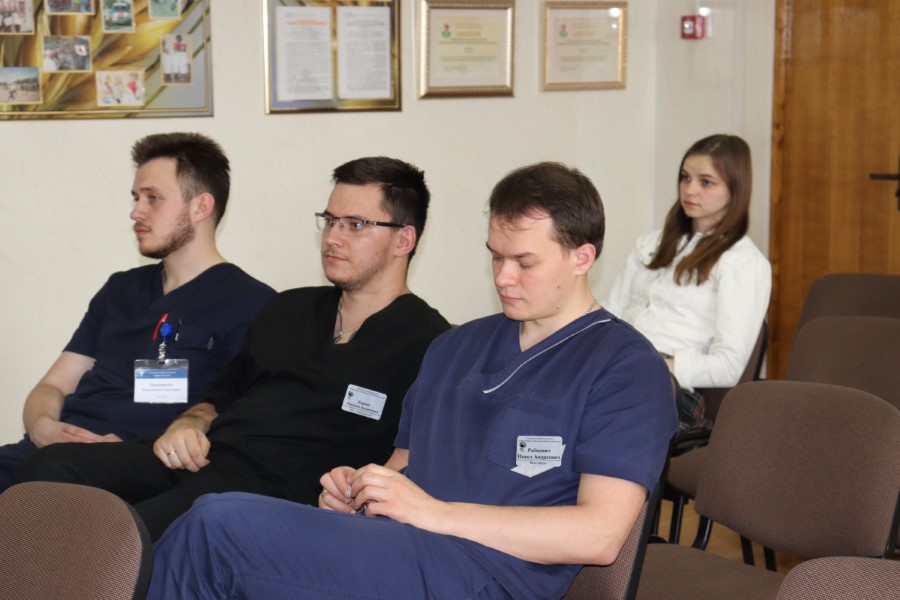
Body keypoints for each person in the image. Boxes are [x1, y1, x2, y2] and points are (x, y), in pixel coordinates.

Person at [144, 162, 677, 600]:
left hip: (487, 573)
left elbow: (600, 535)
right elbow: (402, 466)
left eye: (525, 262)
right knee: (211, 520)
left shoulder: (624, 367)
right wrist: (360, 490)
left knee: (217, 528)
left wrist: (434, 514)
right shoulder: (455, 347)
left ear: (582, 257)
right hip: (400, 546)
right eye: (495, 257)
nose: (503, 277)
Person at [17, 156, 451, 541]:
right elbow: (220, 397)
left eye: (355, 225)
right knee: (51, 469)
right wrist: (188, 424)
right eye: (330, 220)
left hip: (272, 492)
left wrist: (352, 496)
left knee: (124, 536)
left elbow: (413, 459)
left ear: (403, 240)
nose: (333, 238)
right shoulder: (289, 309)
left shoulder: (430, 344)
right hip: (205, 458)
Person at [0, 133, 274, 491]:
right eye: (136, 198)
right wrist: (43, 427)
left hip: (146, 460)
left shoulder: (253, 303)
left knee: (52, 471)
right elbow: (52, 385)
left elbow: (246, 412)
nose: (136, 212)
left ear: (201, 207)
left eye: (152, 198)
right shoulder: (120, 289)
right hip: (55, 451)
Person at [604, 134, 771, 430]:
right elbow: (611, 313)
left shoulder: (743, 262)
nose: (690, 189)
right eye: (685, 177)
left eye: (706, 182)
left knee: (593, 411)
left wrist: (655, 366)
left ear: (735, 189)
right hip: (619, 364)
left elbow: (729, 366)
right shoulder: (651, 243)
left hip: (672, 386)